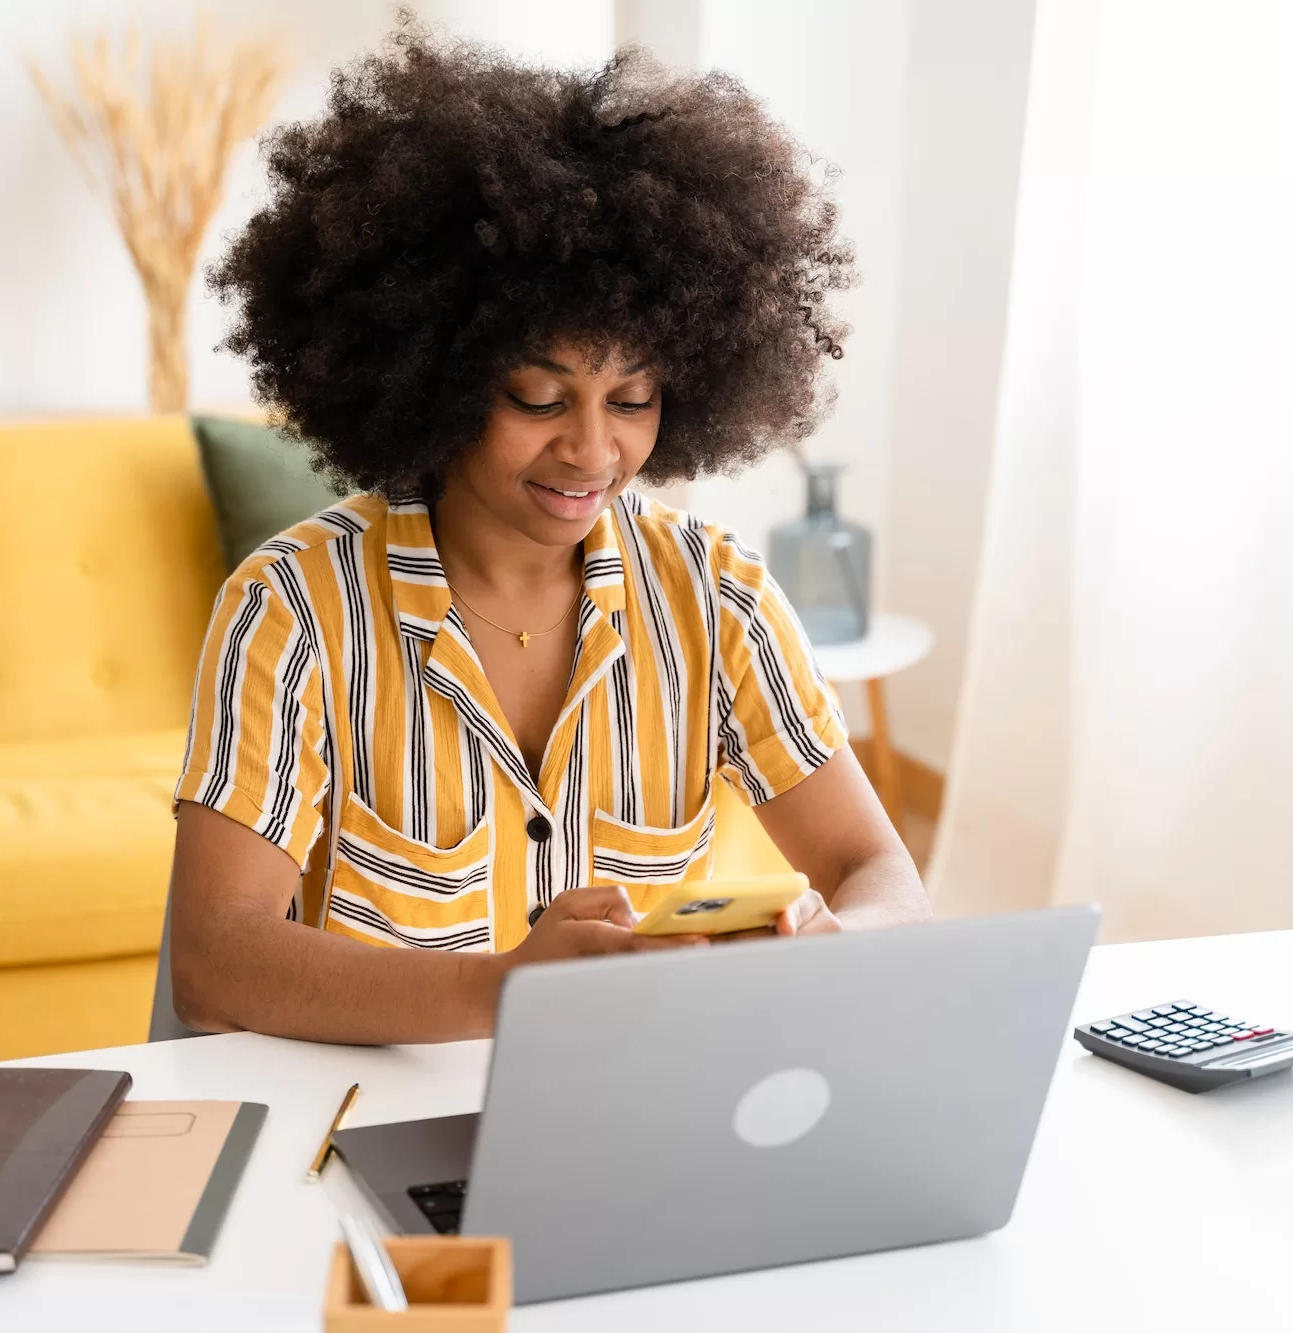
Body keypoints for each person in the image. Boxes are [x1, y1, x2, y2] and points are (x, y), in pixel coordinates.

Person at [169, 25, 929, 1044]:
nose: (590, 450)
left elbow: (875, 868)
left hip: (637, 1114)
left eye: (631, 398)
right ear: (435, 379)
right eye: (536, 394)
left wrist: (846, 937)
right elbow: (216, 958)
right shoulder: (293, 606)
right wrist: (505, 991)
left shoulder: (717, 596)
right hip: (363, 1125)